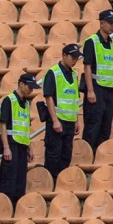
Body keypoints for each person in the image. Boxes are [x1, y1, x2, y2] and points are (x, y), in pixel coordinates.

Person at [82, 9, 113, 149]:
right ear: (101, 23)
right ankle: (88, 157)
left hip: (108, 90)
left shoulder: (112, 44)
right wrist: (90, 90)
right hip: (96, 89)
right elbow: (87, 67)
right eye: (110, 23)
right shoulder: (92, 42)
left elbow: (112, 68)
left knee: (105, 126)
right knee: (93, 126)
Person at [0, 72, 39, 205]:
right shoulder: (9, 100)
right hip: (11, 144)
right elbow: (3, 124)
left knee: (20, 181)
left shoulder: (25, 104)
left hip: (22, 146)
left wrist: (30, 148)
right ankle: (5, 206)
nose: (31, 90)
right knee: (9, 180)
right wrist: (6, 147)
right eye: (29, 87)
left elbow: (25, 128)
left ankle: (15, 207)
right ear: (21, 84)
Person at [40, 45, 84, 175]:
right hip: (58, 121)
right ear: (64, 56)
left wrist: (76, 120)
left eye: (77, 58)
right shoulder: (53, 73)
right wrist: (55, 121)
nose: (75, 60)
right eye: (72, 57)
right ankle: (51, 182)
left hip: (70, 122)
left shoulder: (74, 74)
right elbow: (49, 97)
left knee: (66, 154)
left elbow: (75, 99)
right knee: (53, 155)